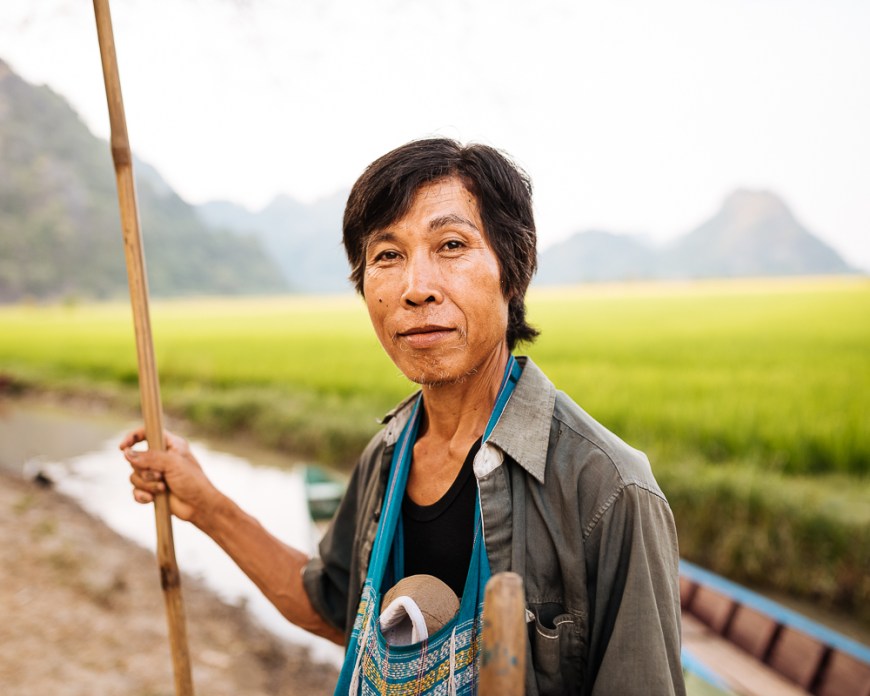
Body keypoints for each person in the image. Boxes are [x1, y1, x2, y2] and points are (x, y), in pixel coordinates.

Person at [121, 138, 685, 695]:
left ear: (513, 272)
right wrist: (206, 506)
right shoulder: (389, 455)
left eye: (451, 245)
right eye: (387, 256)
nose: (416, 288)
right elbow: (332, 608)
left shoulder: (608, 490)